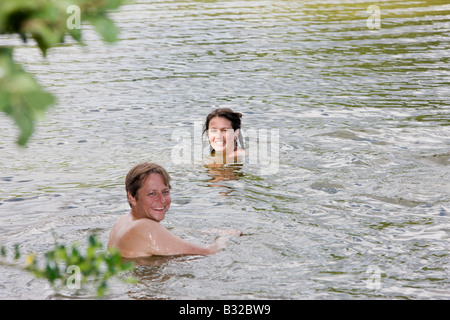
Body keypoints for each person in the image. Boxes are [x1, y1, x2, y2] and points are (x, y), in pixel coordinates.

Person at [108, 162, 241, 258]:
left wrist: (206, 232)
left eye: (165, 192)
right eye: (152, 194)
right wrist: (224, 238)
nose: (162, 200)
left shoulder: (122, 221)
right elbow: (209, 251)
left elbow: (167, 235)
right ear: (132, 197)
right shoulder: (145, 227)